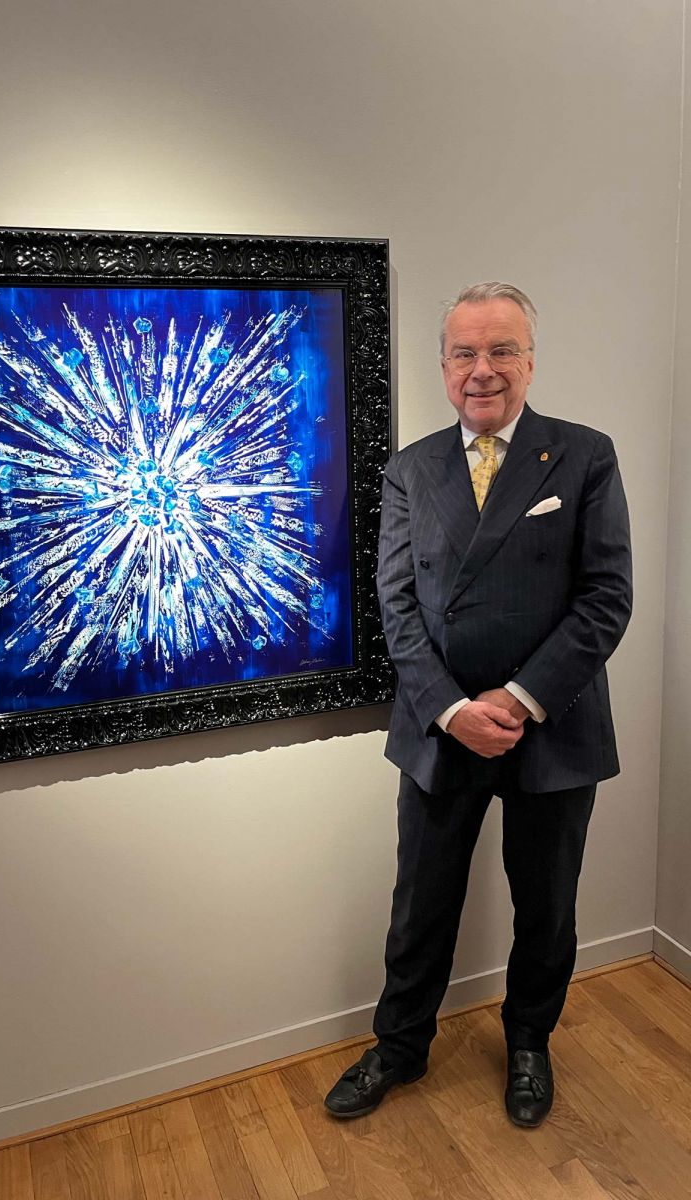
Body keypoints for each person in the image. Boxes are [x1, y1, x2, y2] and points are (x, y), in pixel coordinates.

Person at [324, 282, 632, 1128]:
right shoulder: (410, 468)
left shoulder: (585, 455)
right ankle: (399, 1046)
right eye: (464, 353)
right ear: (444, 365)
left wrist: (521, 699)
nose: (482, 370)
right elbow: (396, 604)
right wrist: (453, 709)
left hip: (553, 723)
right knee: (420, 904)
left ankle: (530, 1043)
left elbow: (606, 596)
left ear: (530, 362)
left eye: (501, 350)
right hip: (441, 727)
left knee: (547, 906)